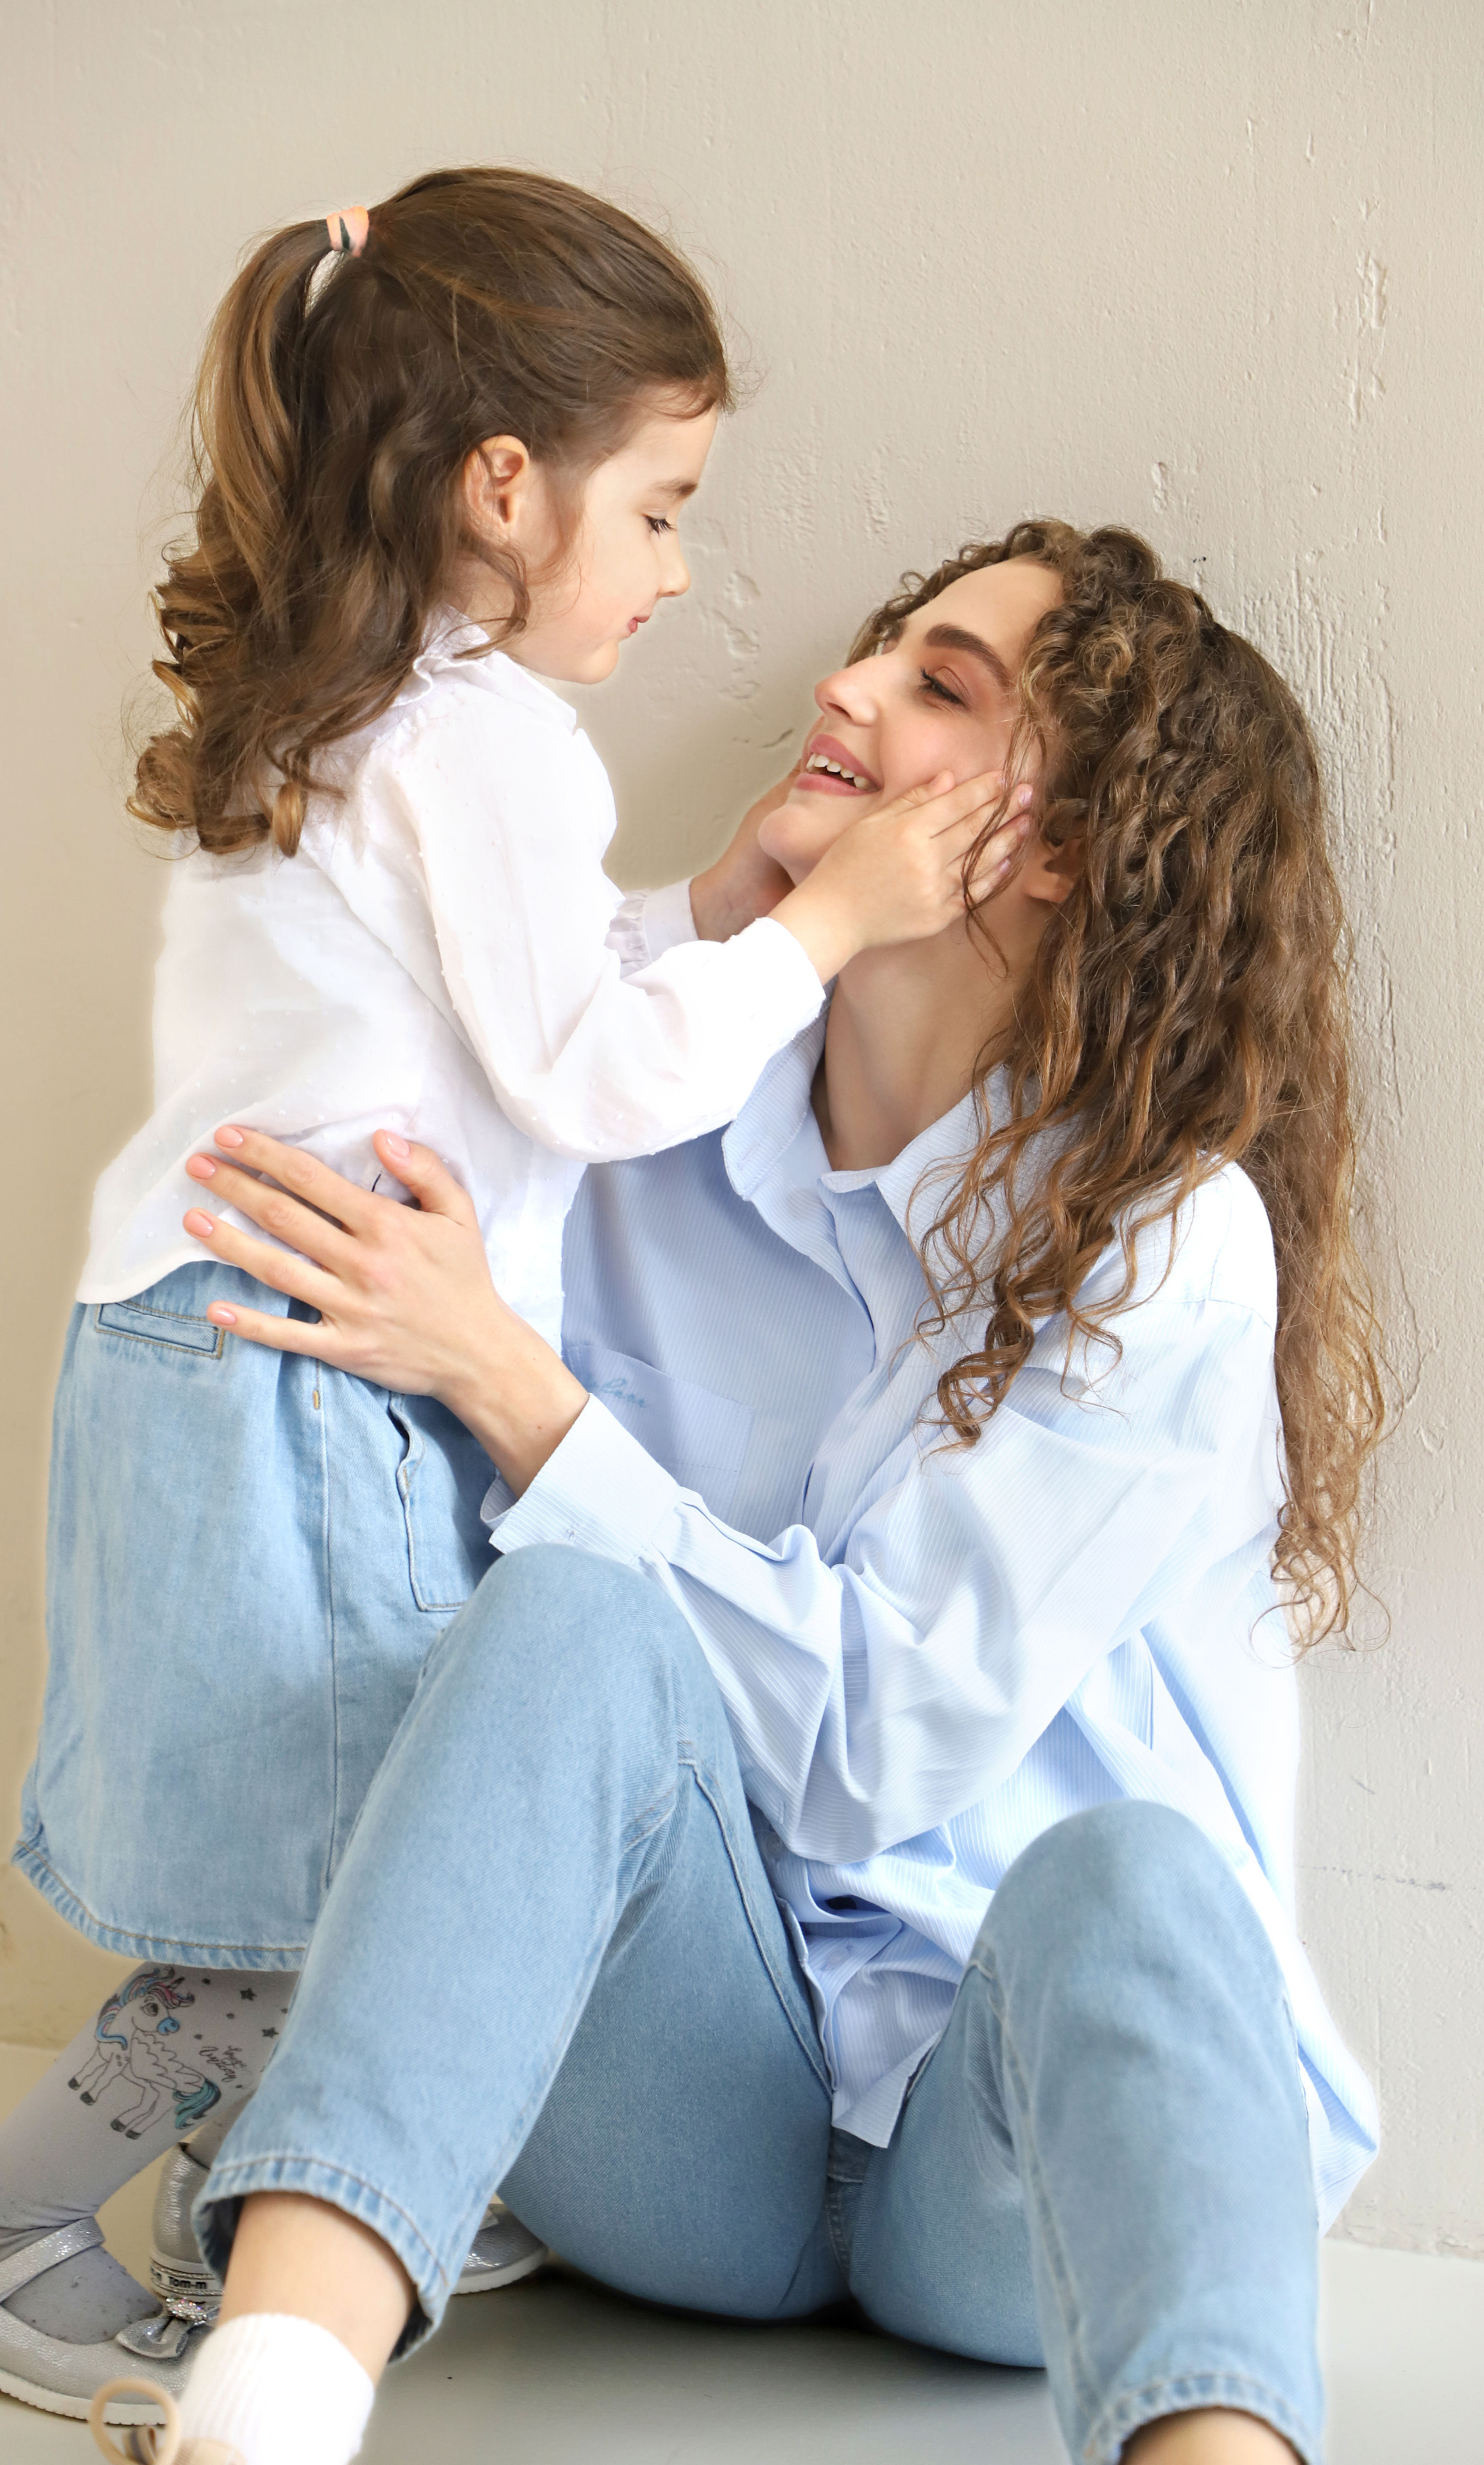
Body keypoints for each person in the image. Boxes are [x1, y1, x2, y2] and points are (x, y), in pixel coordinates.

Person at [91, 523, 1384, 2465]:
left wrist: (520, 1395)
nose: (840, 694)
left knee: (1138, 1870)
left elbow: (881, 1743)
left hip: (1012, 2169)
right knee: (573, 1614)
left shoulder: (1162, 1245)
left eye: (940, 687)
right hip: (690, 2124)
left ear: (1061, 847)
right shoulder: (617, 1118)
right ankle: (261, 2413)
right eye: (877, 652)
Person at [0, 168, 1026, 2423]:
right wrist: (830, 926)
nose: (679, 573)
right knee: (380, 1874)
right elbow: (599, 1079)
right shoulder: (482, 741)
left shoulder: (390, 710)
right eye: (658, 511)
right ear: (503, 486)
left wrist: (721, 899)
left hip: (226, 1350)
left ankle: (179, 2231)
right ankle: (58, 2224)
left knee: (325, 1876)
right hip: (302, 1379)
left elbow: (508, 1030)